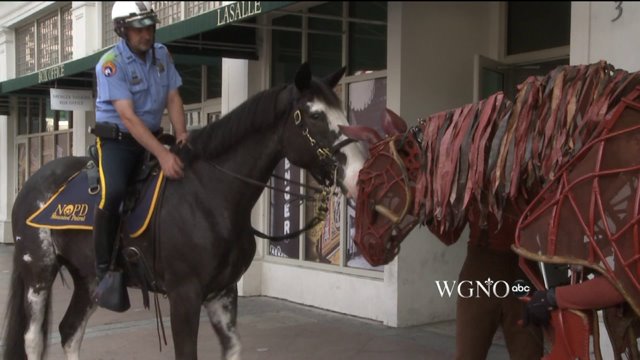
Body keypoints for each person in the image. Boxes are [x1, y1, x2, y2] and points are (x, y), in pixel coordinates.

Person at [92, 1, 187, 294]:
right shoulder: (110, 63)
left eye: (149, 27)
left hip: (155, 136)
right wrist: (162, 154)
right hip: (119, 142)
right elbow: (129, 118)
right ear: (122, 30)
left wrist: (181, 134)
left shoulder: (162, 55)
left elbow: (172, 97)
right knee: (115, 192)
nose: (146, 34)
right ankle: (104, 268)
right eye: (138, 29)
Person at [454, 200, 544, 360]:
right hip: (480, 272)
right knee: (469, 353)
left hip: (522, 271)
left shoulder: (536, 178)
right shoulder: (470, 178)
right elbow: (449, 233)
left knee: (528, 352)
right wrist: (422, 205)